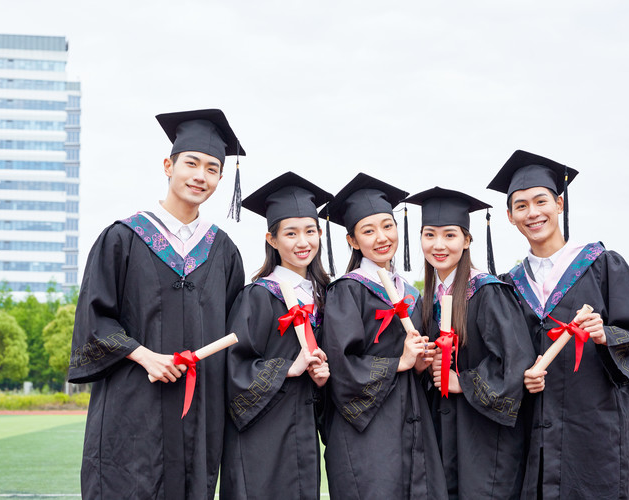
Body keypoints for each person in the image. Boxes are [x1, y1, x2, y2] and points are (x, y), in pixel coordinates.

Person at [68, 109, 246, 499]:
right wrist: (144, 355)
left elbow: (240, 334)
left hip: (198, 414)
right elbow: (94, 319)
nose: (200, 175)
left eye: (212, 168)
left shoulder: (223, 252)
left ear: (219, 179)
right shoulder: (123, 238)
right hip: (133, 407)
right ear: (169, 165)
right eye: (192, 163)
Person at [487, 150, 629, 500]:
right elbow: (504, 355)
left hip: (595, 432)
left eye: (541, 201)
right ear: (510, 216)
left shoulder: (602, 265)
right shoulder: (509, 285)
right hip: (535, 438)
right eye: (521, 206)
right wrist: (521, 375)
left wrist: (605, 334)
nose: (533, 213)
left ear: (559, 204)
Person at [318, 173, 448, 499]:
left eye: (387, 226)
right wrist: (400, 362)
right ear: (352, 240)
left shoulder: (411, 294)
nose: (381, 237)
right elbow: (341, 367)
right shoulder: (346, 291)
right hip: (366, 432)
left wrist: (420, 364)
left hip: (413, 421)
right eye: (368, 230)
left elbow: (417, 368)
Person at [404, 187, 536, 500]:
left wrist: (461, 381)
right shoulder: (426, 302)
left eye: (450, 235)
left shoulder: (488, 293)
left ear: (466, 240)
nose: (438, 245)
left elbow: (516, 363)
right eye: (429, 235)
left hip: (486, 443)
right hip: (443, 438)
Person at [220, 172, 331, 499]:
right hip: (261, 437)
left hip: (304, 435)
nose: (303, 242)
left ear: (320, 233)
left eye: (310, 231)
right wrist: (287, 367)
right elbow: (233, 370)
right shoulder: (257, 296)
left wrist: (323, 376)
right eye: (291, 233)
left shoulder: (327, 296)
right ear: (272, 239)